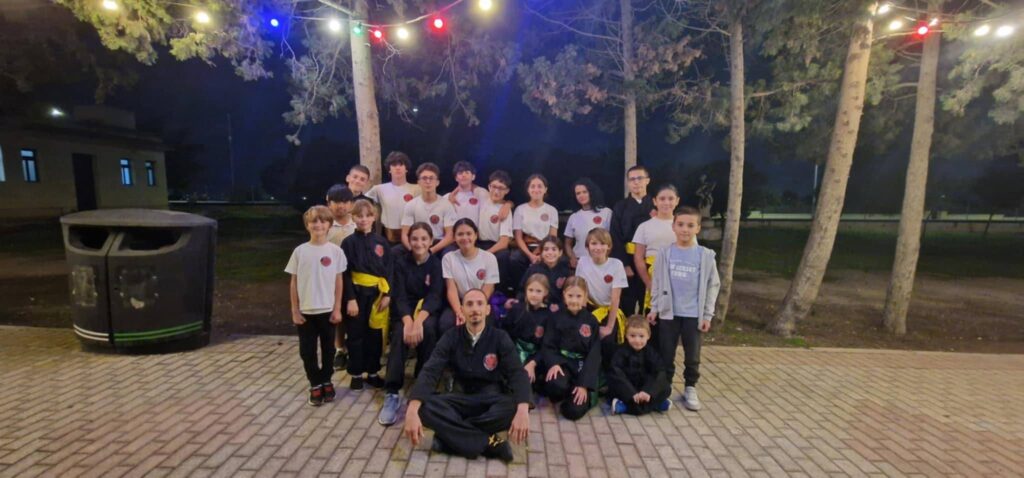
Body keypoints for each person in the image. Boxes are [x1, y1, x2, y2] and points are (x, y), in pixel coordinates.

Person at [403, 288, 531, 463]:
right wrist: (412, 409)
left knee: (514, 407)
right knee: (423, 407)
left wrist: (523, 410)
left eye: (480, 304)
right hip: (459, 397)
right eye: (469, 304)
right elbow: (431, 370)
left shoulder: (500, 337)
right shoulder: (450, 336)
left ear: (487, 310)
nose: (475, 309)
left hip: (489, 399)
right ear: (461, 310)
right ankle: (489, 443)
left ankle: (449, 439)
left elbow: (517, 373)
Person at [646, 206, 720, 411]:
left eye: (690, 225)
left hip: (693, 315)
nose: (685, 229)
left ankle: (690, 386)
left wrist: (707, 315)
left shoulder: (705, 255)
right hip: (669, 314)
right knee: (666, 353)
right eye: (680, 224)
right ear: (673, 226)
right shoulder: (665, 253)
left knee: (692, 355)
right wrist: (654, 308)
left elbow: (713, 285)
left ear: (698, 228)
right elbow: (657, 282)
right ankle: (665, 388)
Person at [378, 222, 444, 426]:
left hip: (426, 311)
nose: (419, 243)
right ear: (408, 240)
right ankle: (392, 392)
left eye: (424, 239)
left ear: (431, 241)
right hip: (404, 311)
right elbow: (399, 296)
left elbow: (435, 295)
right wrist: (408, 321)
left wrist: (419, 321)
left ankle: (423, 387)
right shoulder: (400, 263)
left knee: (429, 330)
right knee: (399, 335)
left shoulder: (436, 264)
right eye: (414, 238)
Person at [285, 206, 347, 406]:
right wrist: (295, 310)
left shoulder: (336, 252)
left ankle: (326, 380)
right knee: (307, 351)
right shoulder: (300, 251)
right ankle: (315, 383)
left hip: (327, 310)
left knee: (329, 350)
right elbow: (294, 283)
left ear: (329, 225)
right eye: (313, 221)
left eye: (322, 221)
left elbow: (339, 282)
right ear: (307, 225)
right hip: (306, 312)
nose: (318, 225)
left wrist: (337, 308)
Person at [341, 199, 393, 391]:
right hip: (356, 294)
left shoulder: (381, 242)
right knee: (356, 334)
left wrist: (387, 295)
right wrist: (350, 299)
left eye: (367, 215)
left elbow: (389, 270)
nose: (363, 219)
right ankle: (355, 373)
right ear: (353, 217)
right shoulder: (348, 243)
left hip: (377, 294)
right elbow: (345, 273)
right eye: (359, 216)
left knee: (374, 334)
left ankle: (372, 372)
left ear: (374, 217)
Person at [542, 277, 601, 421]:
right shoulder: (555, 317)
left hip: (581, 366)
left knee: (574, 411)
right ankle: (565, 391)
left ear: (585, 297)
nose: (574, 300)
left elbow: (594, 354)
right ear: (564, 295)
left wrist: (584, 385)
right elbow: (548, 344)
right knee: (555, 384)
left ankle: (574, 395)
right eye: (570, 295)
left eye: (579, 296)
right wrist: (554, 363)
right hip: (563, 362)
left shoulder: (591, 321)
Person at [574, 228, 628, 363]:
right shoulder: (582, 262)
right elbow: (582, 291)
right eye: (594, 243)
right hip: (590, 309)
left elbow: (615, 299)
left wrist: (609, 327)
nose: (598, 248)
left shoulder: (616, 265)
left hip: (609, 311)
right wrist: (580, 319)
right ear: (587, 246)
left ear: (609, 246)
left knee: (608, 340)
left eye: (602, 243)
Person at [440, 219, 500, 334]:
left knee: (487, 325)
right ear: (454, 237)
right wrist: (460, 312)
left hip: (481, 302)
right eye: (460, 234)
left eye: (469, 233)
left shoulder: (489, 258)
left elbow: (489, 288)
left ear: (476, 235)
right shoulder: (448, 258)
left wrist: (475, 309)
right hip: (459, 303)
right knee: (446, 323)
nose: (465, 237)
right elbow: (451, 289)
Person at [499, 273, 555, 397]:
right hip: (515, 351)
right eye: (531, 290)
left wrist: (533, 363)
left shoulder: (549, 315)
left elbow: (547, 345)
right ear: (525, 290)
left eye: (538, 291)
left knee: (527, 380)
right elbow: (505, 334)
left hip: (535, 356)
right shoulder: (517, 309)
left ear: (545, 292)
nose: (534, 294)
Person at [610, 166, 655, 316]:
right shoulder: (620, 207)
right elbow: (615, 237)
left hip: (651, 261)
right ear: (628, 183)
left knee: (650, 300)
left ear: (647, 180)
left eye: (640, 178)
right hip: (628, 258)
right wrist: (624, 264)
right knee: (627, 302)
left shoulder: (656, 205)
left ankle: (650, 330)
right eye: (632, 179)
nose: (636, 182)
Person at [607, 316, 672, 415]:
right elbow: (616, 373)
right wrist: (632, 393)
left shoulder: (650, 352)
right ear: (626, 335)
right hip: (628, 390)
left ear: (648, 336)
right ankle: (654, 405)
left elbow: (659, 370)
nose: (637, 340)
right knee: (614, 384)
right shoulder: (621, 352)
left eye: (641, 336)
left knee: (666, 387)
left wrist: (648, 391)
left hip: (644, 389)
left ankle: (626, 407)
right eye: (632, 336)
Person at [632, 184, 680, 313]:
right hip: (651, 274)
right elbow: (638, 257)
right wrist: (648, 282)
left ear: (677, 201)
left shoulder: (682, 225)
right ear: (655, 201)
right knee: (652, 315)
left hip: (677, 275)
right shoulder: (644, 226)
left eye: (671, 199)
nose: (666, 202)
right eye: (662, 199)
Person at [326, 184, 356, 371]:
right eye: (336, 201)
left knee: (353, 313)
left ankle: (354, 348)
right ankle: (339, 349)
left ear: (351, 204)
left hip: (355, 276)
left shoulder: (357, 223)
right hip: (332, 277)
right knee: (337, 315)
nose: (341, 206)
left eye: (345, 201)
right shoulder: (325, 225)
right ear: (328, 203)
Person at [510, 174, 559, 289]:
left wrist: (540, 252)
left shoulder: (551, 210)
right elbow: (518, 237)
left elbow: (552, 237)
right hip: (525, 247)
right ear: (528, 189)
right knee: (514, 258)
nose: (536, 189)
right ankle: (521, 290)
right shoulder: (520, 209)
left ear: (545, 189)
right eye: (532, 186)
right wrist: (530, 255)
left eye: (539, 186)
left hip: (545, 247)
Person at [366, 151, 421, 245]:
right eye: (394, 165)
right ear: (389, 169)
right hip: (387, 237)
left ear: (406, 169)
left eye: (401, 164)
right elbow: (360, 202)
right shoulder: (379, 189)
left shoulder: (417, 189)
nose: (397, 168)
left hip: (412, 236)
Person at [401, 163, 456, 255]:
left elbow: (450, 236)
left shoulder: (446, 205)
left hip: (439, 244)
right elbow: (405, 234)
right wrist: (412, 250)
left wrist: (431, 251)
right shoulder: (411, 205)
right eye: (424, 178)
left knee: (450, 253)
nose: (428, 181)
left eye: (431, 178)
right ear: (418, 182)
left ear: (437, 182)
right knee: (396, 252)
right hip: (418, 243)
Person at [476, 170, 515, 292]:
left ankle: (499, 294)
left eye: (501, 188)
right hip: (477, 243)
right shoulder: (481, 198)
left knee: (503, 257)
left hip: (496, 246)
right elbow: (465, 184)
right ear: (489, 186)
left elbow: (504, 242)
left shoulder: (505, 210)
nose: (496, 191)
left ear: (507, 191)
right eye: (494, 187)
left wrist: (486, 254)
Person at [564, 178, 612, 269]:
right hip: (579, 262)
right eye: (578, 193)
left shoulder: (606, 212)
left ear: (592, 192)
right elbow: (567, 243)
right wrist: (572, 258)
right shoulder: (573, 217)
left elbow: (612, 240)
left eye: (584, 192)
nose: (581, 195)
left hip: (601, 261)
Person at [513, 236, 571, 308]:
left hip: (556, 309)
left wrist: (560, 306)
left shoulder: (565, 271)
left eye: (554, 249)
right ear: (541, 252)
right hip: (536, 307)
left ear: (560, 252)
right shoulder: (533, 270)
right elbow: (522, 291)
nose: (550, 253)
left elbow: (568, 293)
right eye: (546, 249)